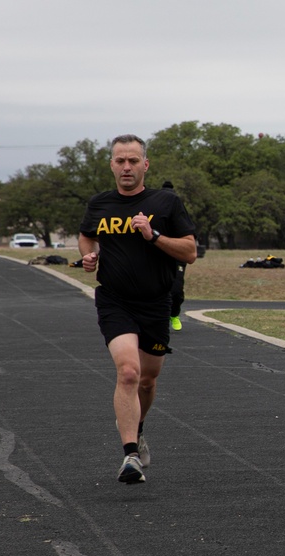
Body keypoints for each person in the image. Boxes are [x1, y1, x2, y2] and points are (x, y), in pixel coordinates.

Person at [78, 134, 197, 484]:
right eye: (120, 161)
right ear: (112, 165)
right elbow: (87, 235)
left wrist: (153, 235)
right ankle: (130, 455)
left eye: (133, 161)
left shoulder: (166, 202)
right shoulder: (100, 204)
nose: (126, 167)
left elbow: (190, 251)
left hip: (156, 302)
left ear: (145, 164)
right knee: (128, 372)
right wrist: (91, 255)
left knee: (147, 379)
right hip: (115, 300)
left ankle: (138, 426)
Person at [161, 180, 188, 331]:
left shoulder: (180, 212)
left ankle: (174, 314)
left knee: (176, 290)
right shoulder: (153, 212)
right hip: (159, 254)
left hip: (177, 255)